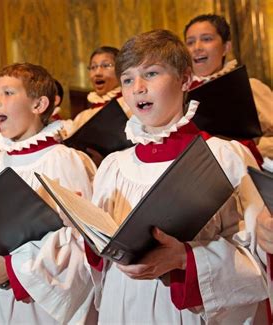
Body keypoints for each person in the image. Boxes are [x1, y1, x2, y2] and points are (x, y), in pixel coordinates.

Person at [86, 29, 268, 323]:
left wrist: (185, 258)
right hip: (122, 306)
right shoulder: (113, 166)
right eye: (128, 80)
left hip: (188, 310)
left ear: (185, 80)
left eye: (151, 73)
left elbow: (258, 256)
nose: (138, 88)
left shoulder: (224, 155)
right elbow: (98, 265)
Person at [0, 63, 97, 323]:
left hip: (40, 301)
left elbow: (83, 241)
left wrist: (13, 270)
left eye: (8, 93)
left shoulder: (64, 160)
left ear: (39, 105)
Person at [184, 14, 273, 160]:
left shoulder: (251, 87)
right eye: (190, 42)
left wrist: (245, 148)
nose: (197, 47)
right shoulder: (178, 93)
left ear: (226, 47)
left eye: (206, 39)